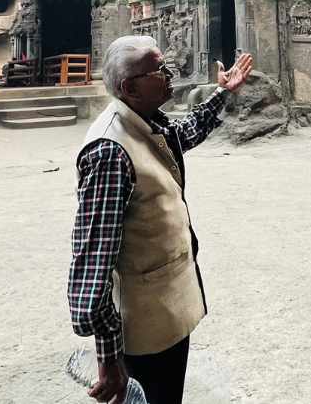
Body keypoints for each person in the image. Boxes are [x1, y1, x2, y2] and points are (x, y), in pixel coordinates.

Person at [68, 36, 254, 404]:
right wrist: (108, 357)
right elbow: (93, 263)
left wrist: (223, 93)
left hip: (164, 311)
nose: (170, 75)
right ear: (130, 87)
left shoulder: (143, 122)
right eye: (159, 70)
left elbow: (184, 133)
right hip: (141, 326)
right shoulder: (109, 152)